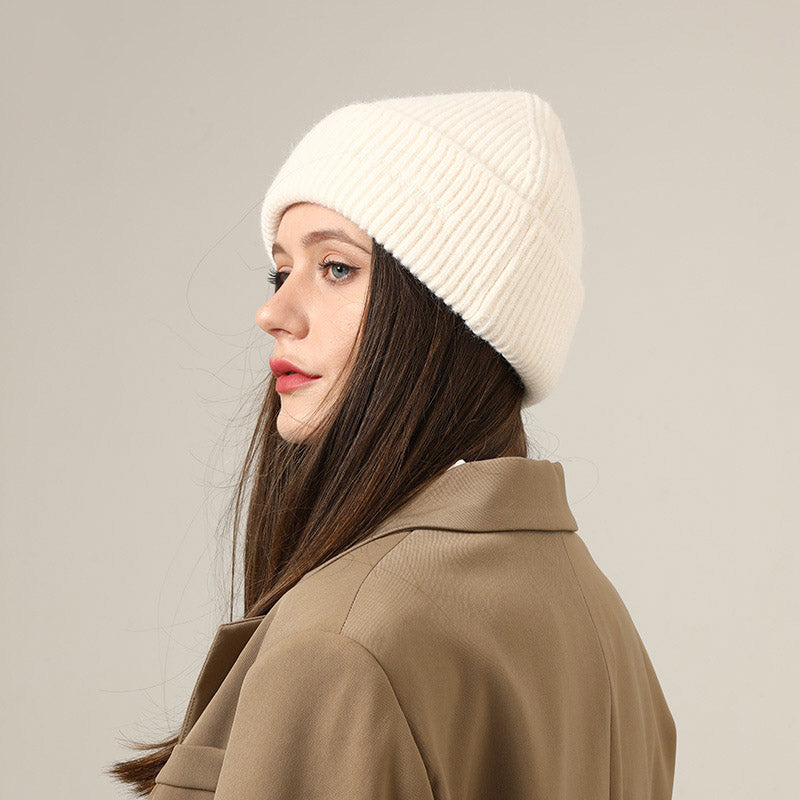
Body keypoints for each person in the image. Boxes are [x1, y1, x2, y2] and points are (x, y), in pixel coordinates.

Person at [108, 90, 677, 799]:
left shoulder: (338, 647)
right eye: (280, 271)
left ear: (447, 314)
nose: (273, 311)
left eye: (336, 268)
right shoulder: (601, 624)